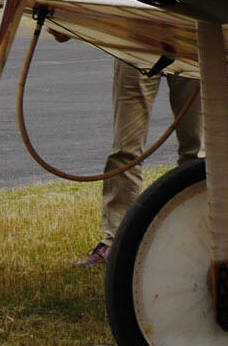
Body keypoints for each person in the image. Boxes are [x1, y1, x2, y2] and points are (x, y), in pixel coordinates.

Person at [77, 55, 203, 267]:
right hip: (137, 38)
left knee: (196, 151)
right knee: (126, 150)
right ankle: (115, 244)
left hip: (192, 34)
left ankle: (196, 239)